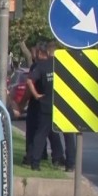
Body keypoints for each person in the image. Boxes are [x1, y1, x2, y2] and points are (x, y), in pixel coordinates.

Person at [24, 39, 62, 171]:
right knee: (55, 133)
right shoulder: (58, 65)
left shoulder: (40, 66)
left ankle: (35, 162)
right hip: (58, 105)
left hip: (44, 105)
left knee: (40, 134)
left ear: (42, 52)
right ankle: (59, 158)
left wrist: (36, 95)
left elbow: (29, 81)